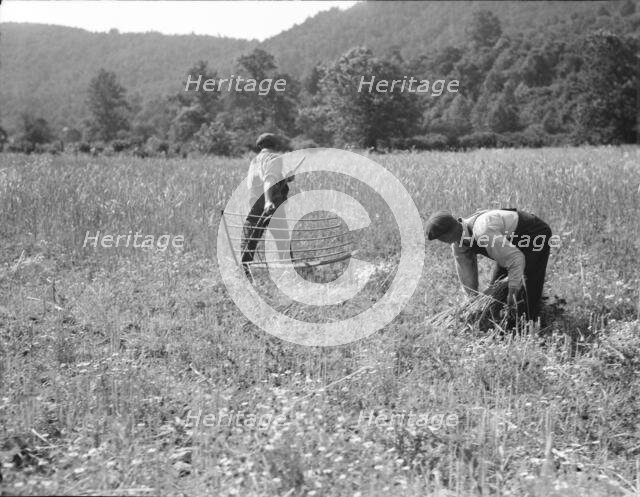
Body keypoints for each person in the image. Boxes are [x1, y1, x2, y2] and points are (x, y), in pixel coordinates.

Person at [426, 208, 552, 320]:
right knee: (496, 292)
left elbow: (516, 259)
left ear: (448, 234)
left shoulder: (482, 231)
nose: (441, 242)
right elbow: (466, 274)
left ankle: (530, 322)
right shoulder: (459, 243)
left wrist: (512, 291)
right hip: (508, 244)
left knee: (528, 284)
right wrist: (472, 302)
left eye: (440, 238)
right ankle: (505, 318)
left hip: (534, 234)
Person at [240, 133, 294, 275]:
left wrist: (285, 179)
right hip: (270, 201)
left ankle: (244, 268)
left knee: (251, 234)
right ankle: (289, 270)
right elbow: (269, 180)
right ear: (276, 145)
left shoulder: (255, 161)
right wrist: (269, 201)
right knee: (281, 235)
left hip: (254, 200)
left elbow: (260, 179)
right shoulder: (274, 158)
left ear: (260, 146)